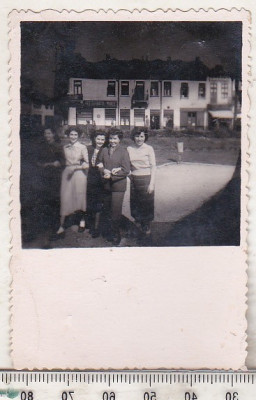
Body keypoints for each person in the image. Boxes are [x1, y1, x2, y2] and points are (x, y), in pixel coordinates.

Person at [51, 127, 89, 240]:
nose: (73, 137)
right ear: (68, 135)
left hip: (79, 174)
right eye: (71, 134)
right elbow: (61, 161)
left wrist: (76, 167)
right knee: (65, 198)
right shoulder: (64, 147)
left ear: (78, 136)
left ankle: (82, 221)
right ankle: (61, 227)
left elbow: (87, 164)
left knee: (80, 197)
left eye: (75, 135)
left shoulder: (83, 147)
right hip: (67, 174)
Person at [97, 130, 130, 245]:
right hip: (106, 185)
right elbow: (99, 162)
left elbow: (126, 170)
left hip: (118, 186)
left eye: (115, 139)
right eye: (111, 138)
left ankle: (116, 233)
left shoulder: (124, 152)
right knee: (106, 209)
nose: (112, 141)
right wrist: (103, 170)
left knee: (115, 211)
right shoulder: (104, 149)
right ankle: (108, 231)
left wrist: (113, 174)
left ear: (119, 139)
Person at [127, 127, 156, 235]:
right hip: (134, 178)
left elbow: (153, 166)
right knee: (135, 202)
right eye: (137, 136)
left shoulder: (149, 148)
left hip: (146, 178)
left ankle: (146, 224)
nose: (139, 139)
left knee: (146, 203)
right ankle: (138, 222)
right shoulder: (129, 148)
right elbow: (127, 164)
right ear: (133, 137)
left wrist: (151, 183)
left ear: (145, 137)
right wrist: (130, 174)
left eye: (142, 136)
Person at [36, 127, 64, 239]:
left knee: (55, 202)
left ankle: (58, 228)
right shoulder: (42, 147)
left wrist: (54, 164)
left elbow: (62, 162)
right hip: (44, 178)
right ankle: (47, 227)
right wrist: (41, 165)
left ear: (53, 134)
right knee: (45, 202)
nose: (46, 135)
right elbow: (37, 161)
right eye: (45, 133)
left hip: (55, 179)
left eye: (49, 133)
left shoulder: (58, 146)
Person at [86, 130, 107, 238]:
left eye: (102, 139)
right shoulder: (88, 149)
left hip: (100, 179)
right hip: (90, 178)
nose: (100, 141)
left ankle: (96, 227)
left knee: (99, 203)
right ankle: (90, 224)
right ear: (94, 139)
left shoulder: (106, 150)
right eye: (98, 139)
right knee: (90, 202)